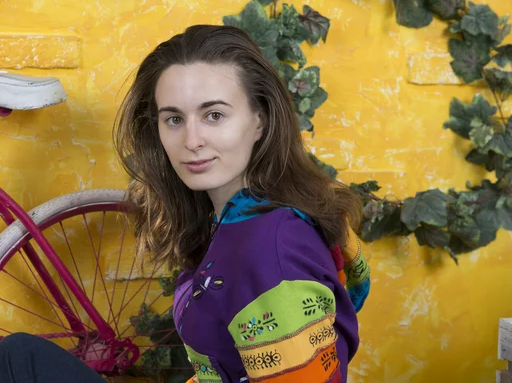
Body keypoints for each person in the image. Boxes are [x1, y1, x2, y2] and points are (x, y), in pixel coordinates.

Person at [113, 24, 371, 383]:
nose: (191, 140)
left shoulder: (268, 250)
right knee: (25, 354)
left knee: (21, 359)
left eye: (214, 115)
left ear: (260, 121)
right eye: (174, 119)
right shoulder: (242, 215)